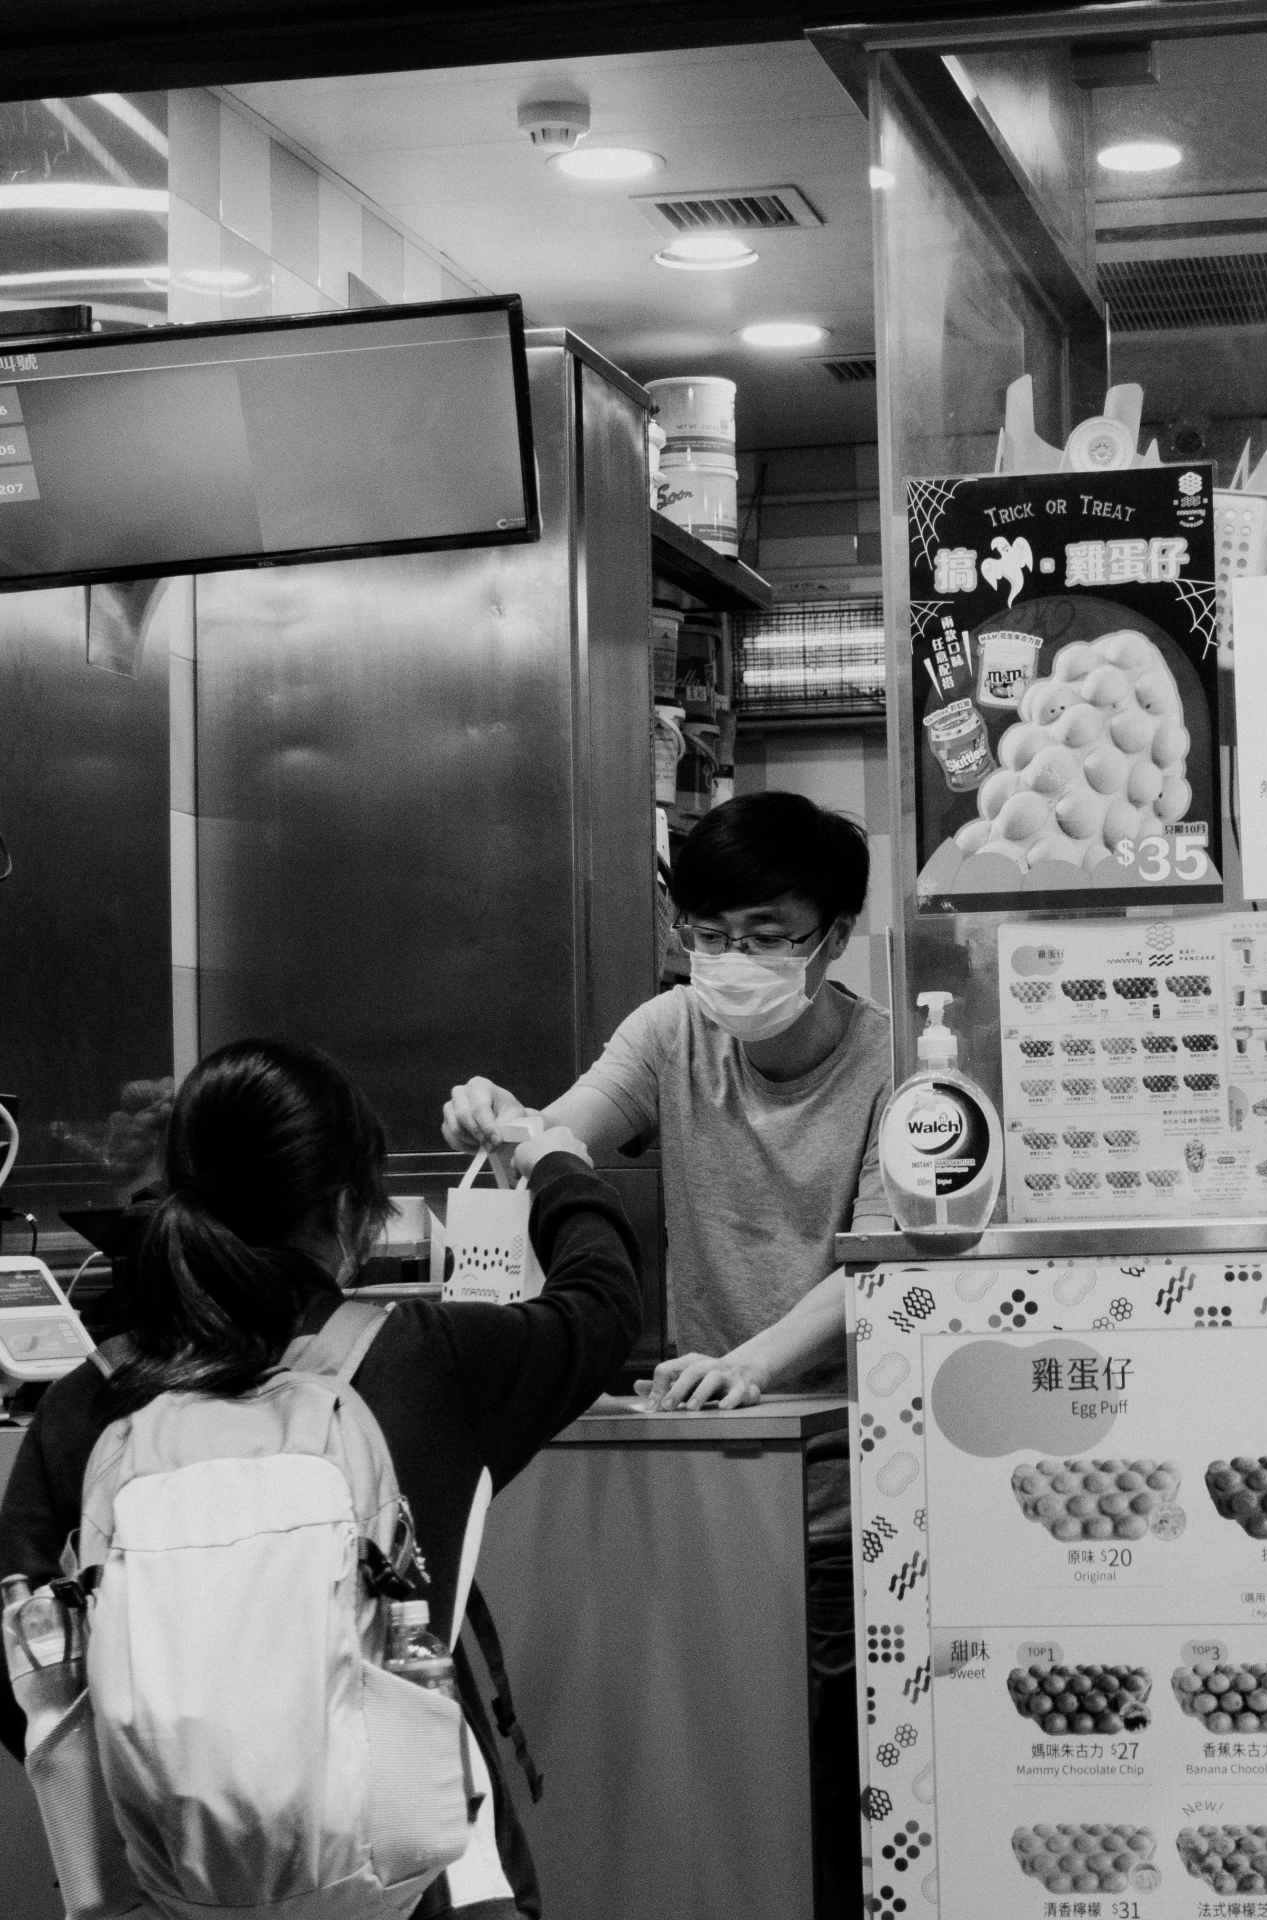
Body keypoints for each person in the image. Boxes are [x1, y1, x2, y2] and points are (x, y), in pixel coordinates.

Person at [0, 1038, 643, 1920]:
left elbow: (5, 1666)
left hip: (169, 1897)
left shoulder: (93, 1400)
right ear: (346, 1209)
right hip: (418, 1892)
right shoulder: (425, 1364)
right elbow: (601, 1302)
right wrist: (555, 1160)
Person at [442, 789, 894, 1919]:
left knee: (821, 1818)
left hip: (849, 1499)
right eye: (707, 935)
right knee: (710, 1806)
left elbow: (882, 1268)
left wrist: (754, 1363)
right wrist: (511, 1128)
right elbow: (565, 1133)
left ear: (834, 936)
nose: (731, 962)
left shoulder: (899, 1070)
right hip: (703, 1482)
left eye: (765, 936)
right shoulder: (670, 1032)